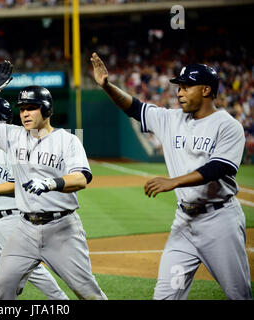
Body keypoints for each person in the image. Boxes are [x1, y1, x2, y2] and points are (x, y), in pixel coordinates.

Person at [90, 52, 252, 300]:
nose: (179, 92)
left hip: (220, 222)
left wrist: (173, 181)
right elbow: (134, 108)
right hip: (184, 223)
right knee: (165, 296)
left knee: (239, 295)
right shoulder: (171, 119)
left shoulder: (227, 125)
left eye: (187, 87)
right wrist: (107, 86)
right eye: (179, 87)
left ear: (206, 90)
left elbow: (220, 167)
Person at [0, 61, 107, 300]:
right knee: (2, 289)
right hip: (25, 229)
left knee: (87, 292)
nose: (25, 113)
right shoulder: (12, 135)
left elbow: (82, 178)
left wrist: (51, 183)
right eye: (22, 109)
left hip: (62, 228)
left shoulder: (67, 140)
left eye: (32, 108)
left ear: (47, 110)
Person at [0, 97, 69, 300]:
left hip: (14, 218)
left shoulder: (12, 143)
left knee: (31, 271)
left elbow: (21, 184)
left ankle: (60, 300)